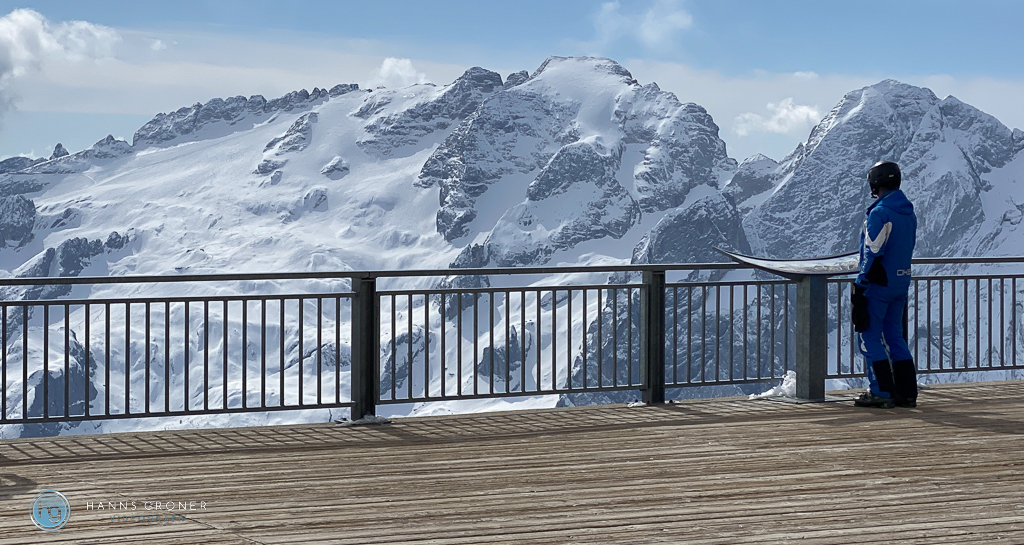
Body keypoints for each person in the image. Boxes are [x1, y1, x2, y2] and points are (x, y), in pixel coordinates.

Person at [851, 161, 918, 408]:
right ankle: (906, 392)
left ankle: (880, 391)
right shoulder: (908, 212)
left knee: (869, 336)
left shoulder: (880, 213)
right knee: (894, 335)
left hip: (878, 285)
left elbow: (873, 251)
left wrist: (860, 284)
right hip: (901, 282)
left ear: (875, 183)